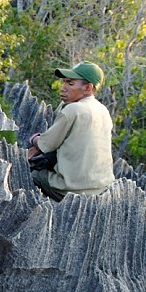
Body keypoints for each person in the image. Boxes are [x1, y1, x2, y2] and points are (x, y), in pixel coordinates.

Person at [26, 61, 114, 201]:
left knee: (26, 174)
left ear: (87, 88)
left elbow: (46, 144)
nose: (63, 88)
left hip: (70, 189)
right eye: (64, 82)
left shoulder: (72, 110)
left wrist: (34, 139)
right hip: (101, 189)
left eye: (70, 84)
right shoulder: (103, 110)